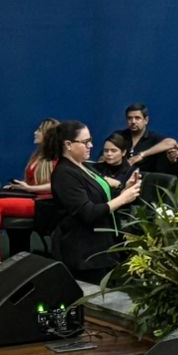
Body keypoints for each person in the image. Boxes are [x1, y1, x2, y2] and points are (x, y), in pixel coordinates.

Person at [48, 120, 143, 281]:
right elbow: (88, 212)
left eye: (90, 141)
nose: (91, 145)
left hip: (102, 248)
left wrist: (125, 190)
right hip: (84, 253)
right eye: (85, 142)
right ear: (68, 145)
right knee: (84, 303)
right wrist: (122, 199)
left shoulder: (86, 167)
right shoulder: (64, 173)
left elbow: (102, 199)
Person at [0, 117, 58, 260]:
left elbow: (56, 185)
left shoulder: (57, 158)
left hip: (43, 203)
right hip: (31, 196)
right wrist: (19, 186)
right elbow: (31, 182)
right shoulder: (37, 155)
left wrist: (30, 188)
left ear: (48, 135)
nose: (35, 132)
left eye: (39, 130)